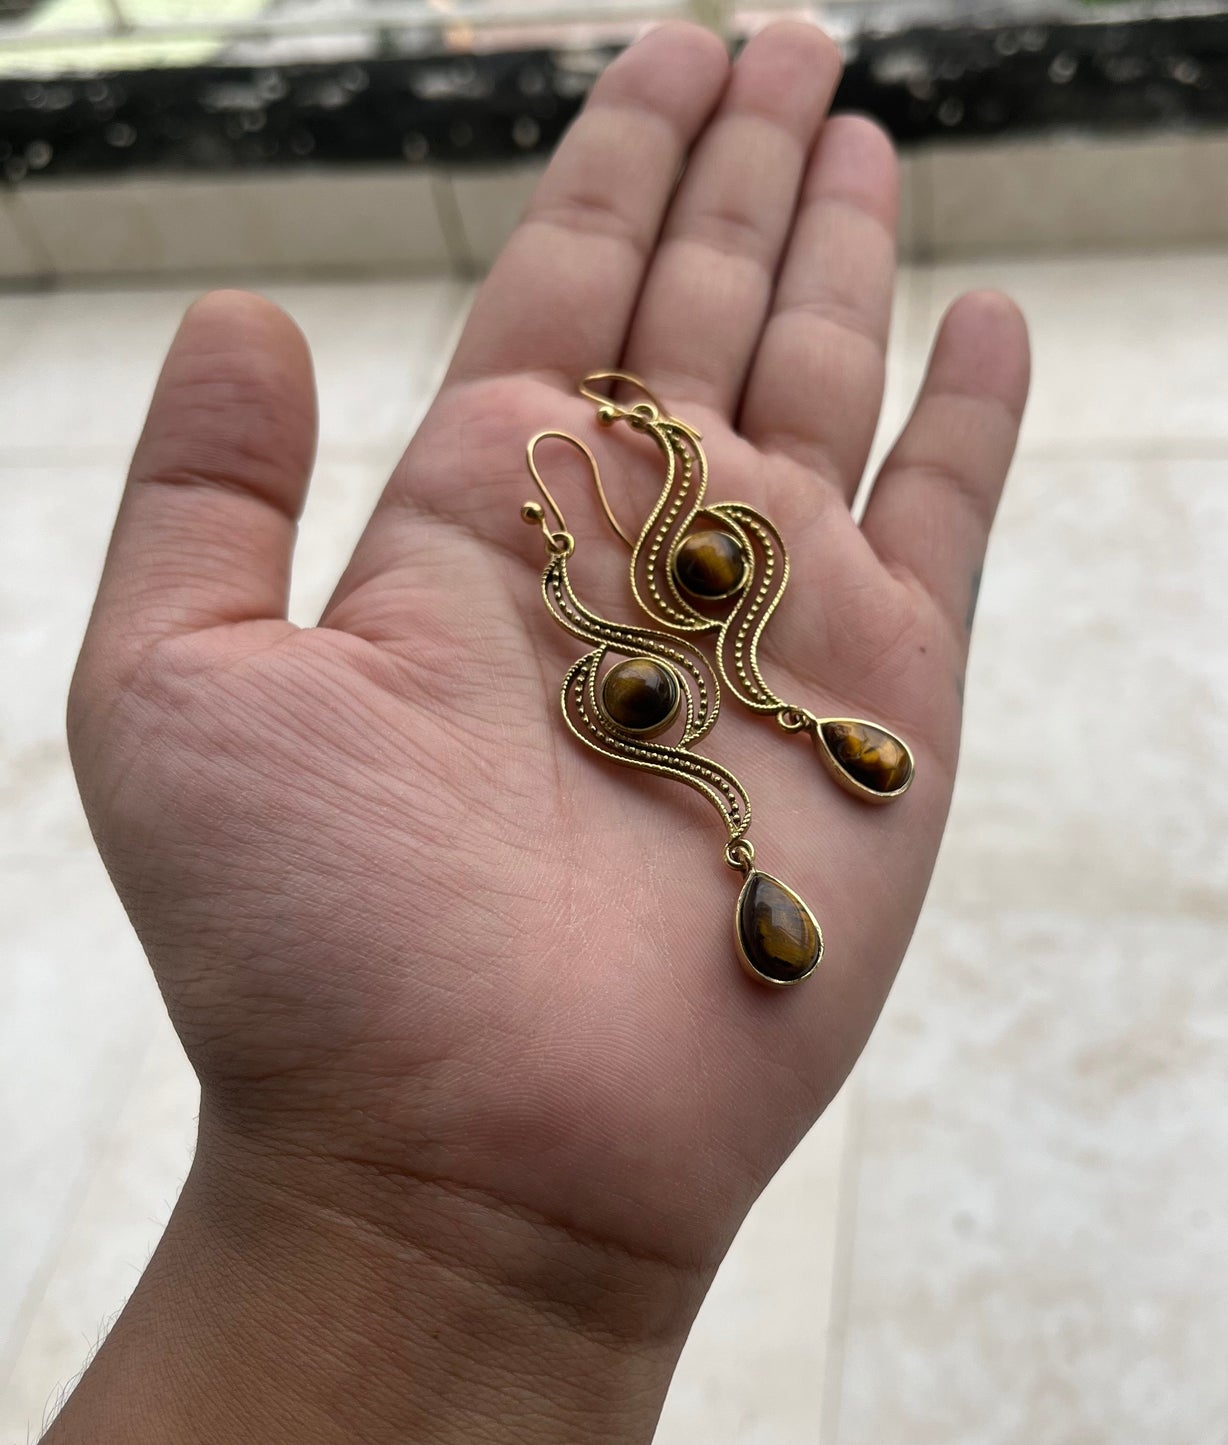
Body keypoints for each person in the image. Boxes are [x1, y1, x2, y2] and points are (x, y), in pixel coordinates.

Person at [48, 19, 1029, 1444]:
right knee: (738, 726)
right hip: (660, 658)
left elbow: (684, 614)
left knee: (746, 715)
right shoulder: (622, 623)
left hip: (677, 645)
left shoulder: (690, 584)